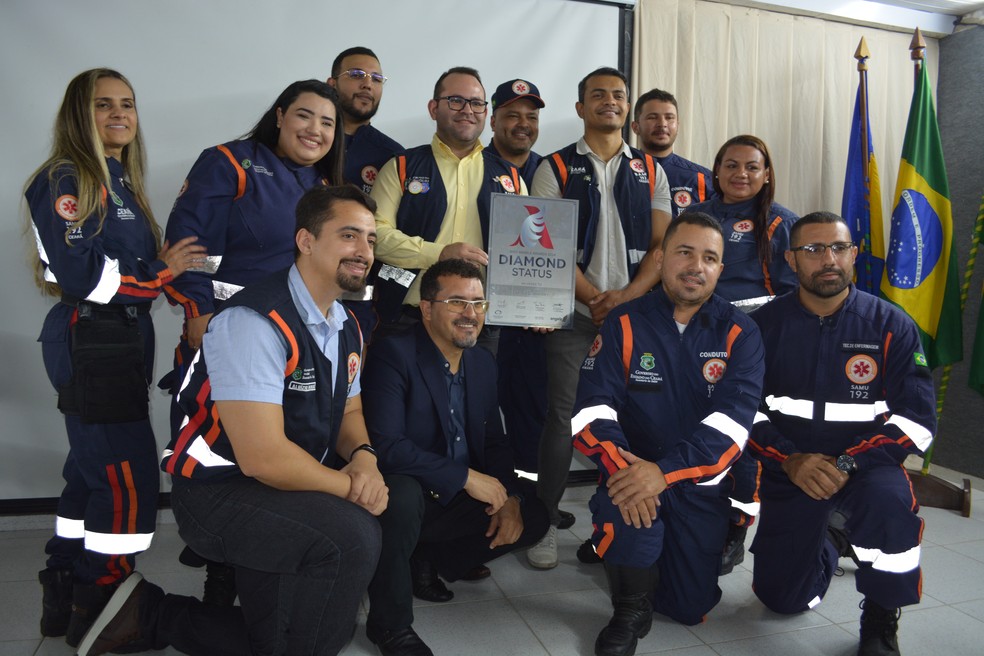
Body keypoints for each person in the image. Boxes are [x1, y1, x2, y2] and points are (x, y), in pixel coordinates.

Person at [75, 185, 387, 656]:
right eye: (349, 235)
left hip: (283, 488)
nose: (363, 251)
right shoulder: (254, 321)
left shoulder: (346, 323)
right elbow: (263, 458)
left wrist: (364, 459)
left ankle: (151, 615)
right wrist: (352, 489)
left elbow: (350, 410)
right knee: (352, 537)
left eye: (370, 239)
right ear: (305, 240)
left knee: (286, 635)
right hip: (219, 494)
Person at [25, 68, 205, 648]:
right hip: (94, 336)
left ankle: (66, 593)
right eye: (104, 105)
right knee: (125, 477)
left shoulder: (119, 178)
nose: (119, 114)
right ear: (81, 113)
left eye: (127, 104)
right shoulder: (66, 177)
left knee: (88, 470)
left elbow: (134, 271)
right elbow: (83, 274)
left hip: (120, 339)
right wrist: (160, 272)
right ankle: (107, 598)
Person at [159, 79, 344, 601]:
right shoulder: (231, 162)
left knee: (288, 449)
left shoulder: (328, 187)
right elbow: (189, 241)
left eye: (328, 123)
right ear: (280, 116)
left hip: (299, 344)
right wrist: (199, 310)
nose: (315, 130)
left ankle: (273, 567)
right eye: (305, 116)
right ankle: (221, 573)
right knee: (229, 456)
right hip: (232, 335)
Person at [572, 213, 765, 655]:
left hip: (699, 483)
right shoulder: (624, 322)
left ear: (720, 269)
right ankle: (629, 607)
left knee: (688, 606)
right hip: (632, 471)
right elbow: (590, 411)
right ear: (660, 259)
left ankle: (659, 559)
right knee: (626, 508)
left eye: (710, 258)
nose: (696, 266)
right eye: (685, 252)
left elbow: (733, 426)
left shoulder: (741, 332)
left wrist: (666, 471)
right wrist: (627, 469)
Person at [747, 211, 935, 656]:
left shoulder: (892, 325)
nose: (827, 259)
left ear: (853, 254)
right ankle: (832, 535)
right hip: (791, 467)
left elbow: (917, 421)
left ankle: (881, 618)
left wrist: (849, 463)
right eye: (813, 249)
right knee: (783, 600)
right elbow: (741, 412)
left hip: (868, 467)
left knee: (890, 508)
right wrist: (791, 459)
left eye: (838, 248)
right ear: (792, 260)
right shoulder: (762, 328)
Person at [362, 259, 549, 656]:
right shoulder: (393, 354)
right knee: (402, 496)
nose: (471, 314)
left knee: (535, 515)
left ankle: (428, 556)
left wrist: (510, 499)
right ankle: (389, 626)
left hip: (452, 497)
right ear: (427, 308)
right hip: (411, 487)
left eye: (479, 303)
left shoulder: (482, 361)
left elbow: (495, 442)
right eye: (457, 302)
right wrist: (466, 478)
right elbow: (387, 446)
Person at [526, 67, 673, 570]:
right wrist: (595, 300)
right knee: (564, 419)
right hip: (574, 317)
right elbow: (546, 245)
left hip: (637, 316)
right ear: (580, 107)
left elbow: (661, 248)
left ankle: (613, 526)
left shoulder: (652, 171)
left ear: (626, 109)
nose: (609, 102)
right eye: (598, 95)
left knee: (633, 421)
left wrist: (627, 298)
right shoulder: (555, 167)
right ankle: (543, 523)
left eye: (617, 96)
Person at [684, 134, 800, 574]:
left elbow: (794, 296)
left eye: (752, 166)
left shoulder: (782, 223)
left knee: (744, 432)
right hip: (697, 336)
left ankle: (736, 525)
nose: (741, 174)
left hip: (756, 341)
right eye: (731, 165)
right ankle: (694, 515)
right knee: (695, 424)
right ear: (716, 171)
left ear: (767, 173)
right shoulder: (695, 217)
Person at [370, 66, 525, 335]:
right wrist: (439, 253)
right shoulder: (401, 167)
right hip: (408, 319)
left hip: (479, 324)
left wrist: (539, 305)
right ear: (433, 109)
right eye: (456, 101)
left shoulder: (511, 178)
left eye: (476, 103)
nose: (467, 110)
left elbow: (527, 255)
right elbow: (374, 236)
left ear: (486, 113)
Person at [328, 46, 404, 343]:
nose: (367, 84)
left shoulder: (393, 156)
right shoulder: (307, 140)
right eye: (356, 74)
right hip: (299, 285)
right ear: (331, 84)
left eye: (376, 78)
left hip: (359, 301)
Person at [630, 88, 715, 217]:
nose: (662, 124)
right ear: (635, 127)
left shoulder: (702, 178)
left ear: (678, 126)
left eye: (669, 118)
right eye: (652, 117)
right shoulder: (621, 172)